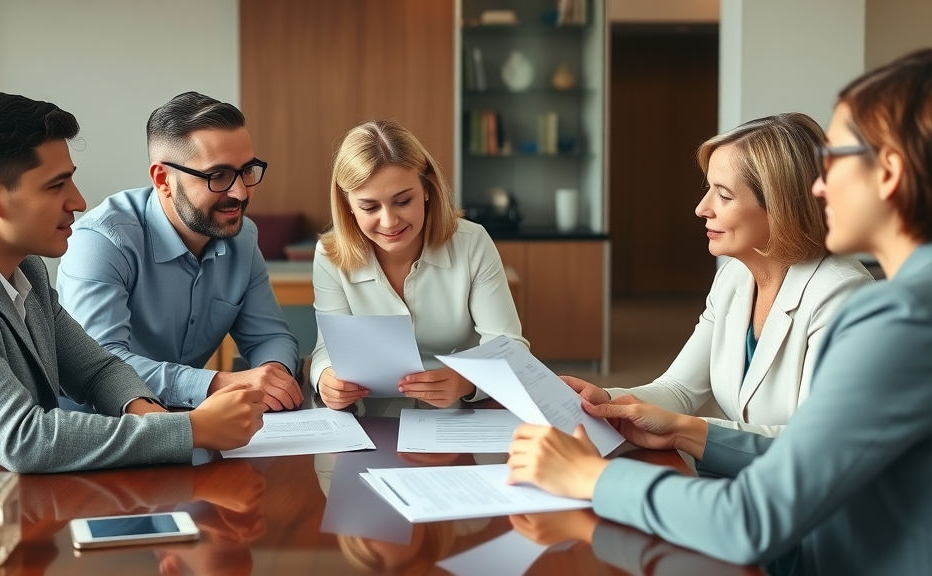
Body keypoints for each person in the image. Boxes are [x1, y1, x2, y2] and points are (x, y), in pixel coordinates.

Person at [507, 49, 932, 576]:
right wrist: (616, 405)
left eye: (836, 160)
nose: (820, 186)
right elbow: (689, 394)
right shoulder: (740, 276)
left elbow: (756, 513)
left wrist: (591, 477)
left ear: (888, 172)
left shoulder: (890, 315)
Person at [0, 92, 265, 489]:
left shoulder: (25, 270)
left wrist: (152, 417)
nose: (78, 201)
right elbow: (24, 438)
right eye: (56, 185)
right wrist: (192, 429)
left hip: (14, 507)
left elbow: (97, 370)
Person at [564, 113, 872, 436]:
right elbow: (678, 389)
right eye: (708, 188)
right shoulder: (732, 277)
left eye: (724, 196)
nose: (701, 208)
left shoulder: (841, 296)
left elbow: (816, 443)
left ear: (781, 208)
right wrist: (606, 400)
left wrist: (686, 430)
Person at [57, 92, 302, 412]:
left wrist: (273, 376)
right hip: (100, 428)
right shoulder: (100, 241)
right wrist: (217, 383)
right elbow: (100, 365)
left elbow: (269, 336)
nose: (241, 193)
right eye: (218, 176)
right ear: (163, 179)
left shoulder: (242, 237)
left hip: (192, 422)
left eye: (247, 170)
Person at [310, 119, 527, 415]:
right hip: (373, 414)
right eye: (369, 207)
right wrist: (326, 377)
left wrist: (466, 381)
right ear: (347, 203)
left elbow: (511, 347)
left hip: (462, 412)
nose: (389, 222)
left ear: (426, 187)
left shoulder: (472, 242)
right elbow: (328, 349)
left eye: (403, 201)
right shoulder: (329, 254)